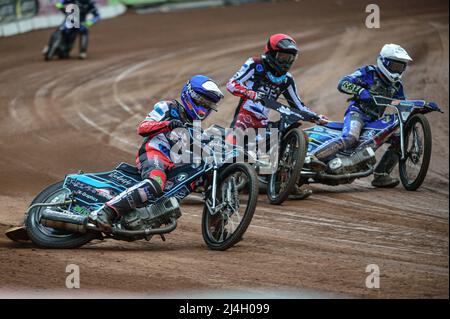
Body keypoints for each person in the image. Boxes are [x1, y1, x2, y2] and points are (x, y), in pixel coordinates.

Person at [94, 75, 224, 232]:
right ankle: (106, 211)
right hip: (154, 154)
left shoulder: (197, 130)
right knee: (155, 183)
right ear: (190, 94)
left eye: (208, 104)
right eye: (202, 101)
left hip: (173, 166)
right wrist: (168, 124)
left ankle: (217, 224)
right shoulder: (168, 107)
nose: (204, 107)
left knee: (207, 170)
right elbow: (142, 127)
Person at [226, 33, 327, 199]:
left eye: (289, 58)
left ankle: (287, 182)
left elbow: (298, 105)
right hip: (245, 115)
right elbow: (232, 84)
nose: (285, 62)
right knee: (233, 146)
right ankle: (217, 177)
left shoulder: (287, 79)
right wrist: (250, 94)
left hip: (263, 122)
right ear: (271, 53)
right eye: (282, 57)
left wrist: (316, 117)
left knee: (281, 139)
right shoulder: (254, 64)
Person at [310, 44, 413, 188]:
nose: (397, 70)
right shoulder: (368, 72)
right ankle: (314, 157)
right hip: (357, 113)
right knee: (351, 137)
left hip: (374, 120)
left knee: (400, 137)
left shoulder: (397, 85)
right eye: (394, 65)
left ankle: (382, 175)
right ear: (384, 62)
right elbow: (343, 83)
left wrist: (417, 108)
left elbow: (403, 104)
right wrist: (359, 91)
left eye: (401, 67)